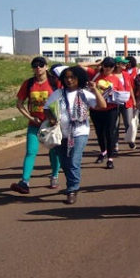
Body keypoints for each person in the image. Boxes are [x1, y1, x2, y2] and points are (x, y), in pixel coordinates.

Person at [44, 66, 106, 204]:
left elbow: (102, 105)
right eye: (66, 77)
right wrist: (51, 119)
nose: (69, 80)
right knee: (65, 163)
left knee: (73, 161)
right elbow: (46, 108)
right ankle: (71, 184)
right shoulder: (58, 93)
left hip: (79, 132)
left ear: (79, 78)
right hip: (61, 133)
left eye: (72, 77)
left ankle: (72, 189)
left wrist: (95, 90)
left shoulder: (84, 93)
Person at [10, 57, 61, 194]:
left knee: (54, 151)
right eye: (35, 65)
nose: (38, 67)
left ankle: (54, 175)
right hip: (35, 123)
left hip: (51, 124)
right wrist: (31, 118)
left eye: (41, 65)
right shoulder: (28, 84)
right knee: (31, 151)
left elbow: (63, 100)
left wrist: (56, 118)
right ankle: (24, 182)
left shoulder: (55, 82)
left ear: (46, 66)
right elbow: (19, 104)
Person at [83, 57, 123, 169]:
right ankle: (103, 151)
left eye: (110, 66)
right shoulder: (95, 74)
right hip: (96, 109)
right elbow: (80, 66)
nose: (107, 68)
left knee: (110, 133)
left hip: (111, 109)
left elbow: (121, 94)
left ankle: (110, 158)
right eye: (105, 66)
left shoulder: (116, 79)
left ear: (114, 67)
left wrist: (113, 95)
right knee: (99, 132)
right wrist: (96, 63)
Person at [112, 56, 137, 149]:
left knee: (129, 123)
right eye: (123, 63)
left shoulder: (126, 74)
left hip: (127, 102)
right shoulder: (111, 75)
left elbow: (130, 87)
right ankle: (115, 144)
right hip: (114, 103)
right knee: (115, 125)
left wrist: (134, 100)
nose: (126, 64)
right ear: (117, 64)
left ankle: (130, 140)